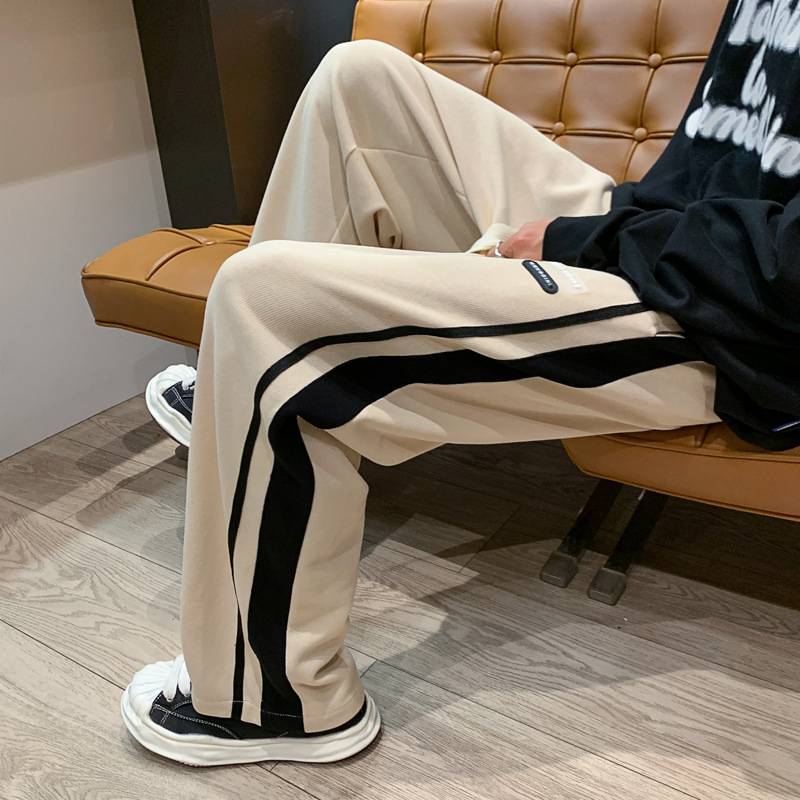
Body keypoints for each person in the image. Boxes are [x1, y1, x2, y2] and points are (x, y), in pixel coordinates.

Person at [125, 0, 800, 767]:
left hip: (741, 325)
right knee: (358, 78)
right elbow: (721, 155)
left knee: (264, 301)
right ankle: (247, 399)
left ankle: (273, 702)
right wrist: (618, 224)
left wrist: (585, 239)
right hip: (679, 237)